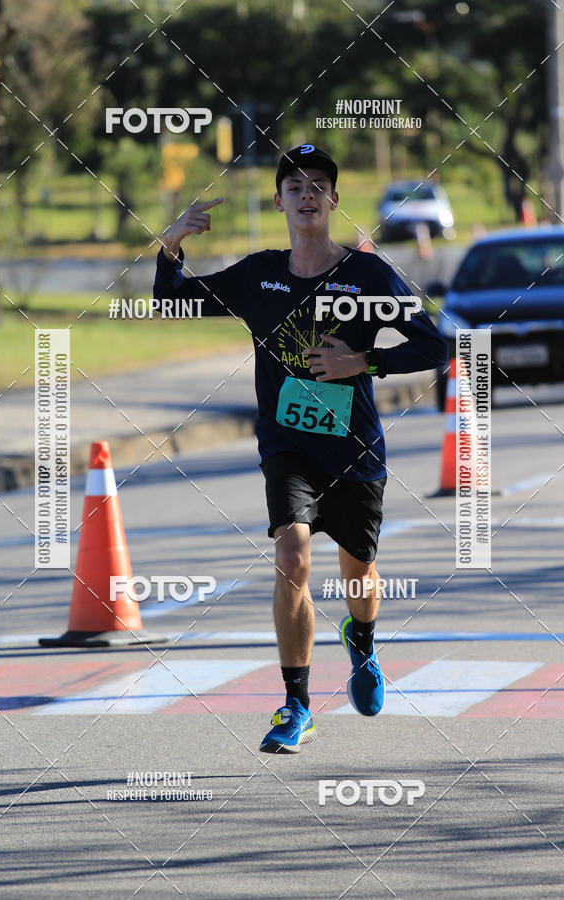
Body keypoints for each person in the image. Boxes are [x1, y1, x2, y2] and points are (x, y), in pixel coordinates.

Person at [153, 144, 448, 753]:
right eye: (295, 185)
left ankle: (362, 646)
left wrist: (361, 360)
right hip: (287, 444)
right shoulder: (259, 275)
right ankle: (296, 704)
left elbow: (436, 347)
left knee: (359, 572)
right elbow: (172, 300)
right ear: (283, 202)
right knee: (292, 555)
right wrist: (171, 244)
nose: (307, 193)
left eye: (319, 184)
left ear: (334, 200)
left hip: (353, 446)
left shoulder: (368, 277)